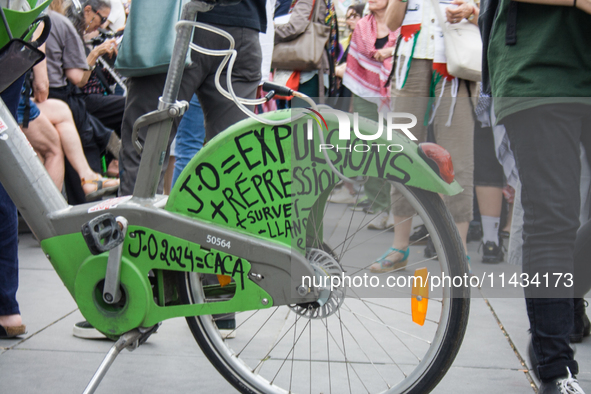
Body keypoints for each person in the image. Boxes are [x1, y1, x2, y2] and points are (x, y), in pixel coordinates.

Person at [487, 0, 590, 392]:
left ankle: (560, 302)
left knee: (556, 224)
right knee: (554, 219)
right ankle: (555, 365)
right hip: (541, 67)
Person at [44, 0, 120, 204]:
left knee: (57, 154)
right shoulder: (61, 24)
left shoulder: (38, 22)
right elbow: (78, 78)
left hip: (41, 99)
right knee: (74, 149)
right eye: (102, 19)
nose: (102, 25)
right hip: (64, 98)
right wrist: (94, 54)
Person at [337, 0, 397, 229]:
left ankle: (395, 208)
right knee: (369, 150)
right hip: (363, 93)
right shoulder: (362, 26)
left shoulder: (401, 24)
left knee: (393, 151)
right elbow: (356, 64)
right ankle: (378, 206)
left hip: (394, 91)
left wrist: (388, 53)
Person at [273, 0, 339, 100]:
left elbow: (293, 27)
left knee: (303, 113)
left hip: (306, 73)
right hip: (316, 66)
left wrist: (268, 30)